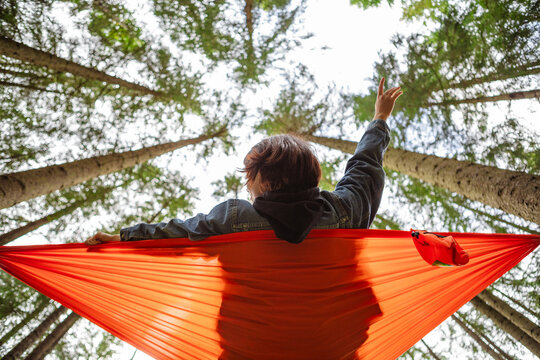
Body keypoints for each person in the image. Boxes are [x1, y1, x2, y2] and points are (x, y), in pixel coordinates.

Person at [85, 78, 402, 246]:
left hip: (250, 343)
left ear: (264, 182)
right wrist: (380, 118)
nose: (249, 190)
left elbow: (179, 232)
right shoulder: (344, 210)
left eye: (250, 180)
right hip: (334, 343)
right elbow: (365, 165)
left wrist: (124, 237)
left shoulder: (235, 217)